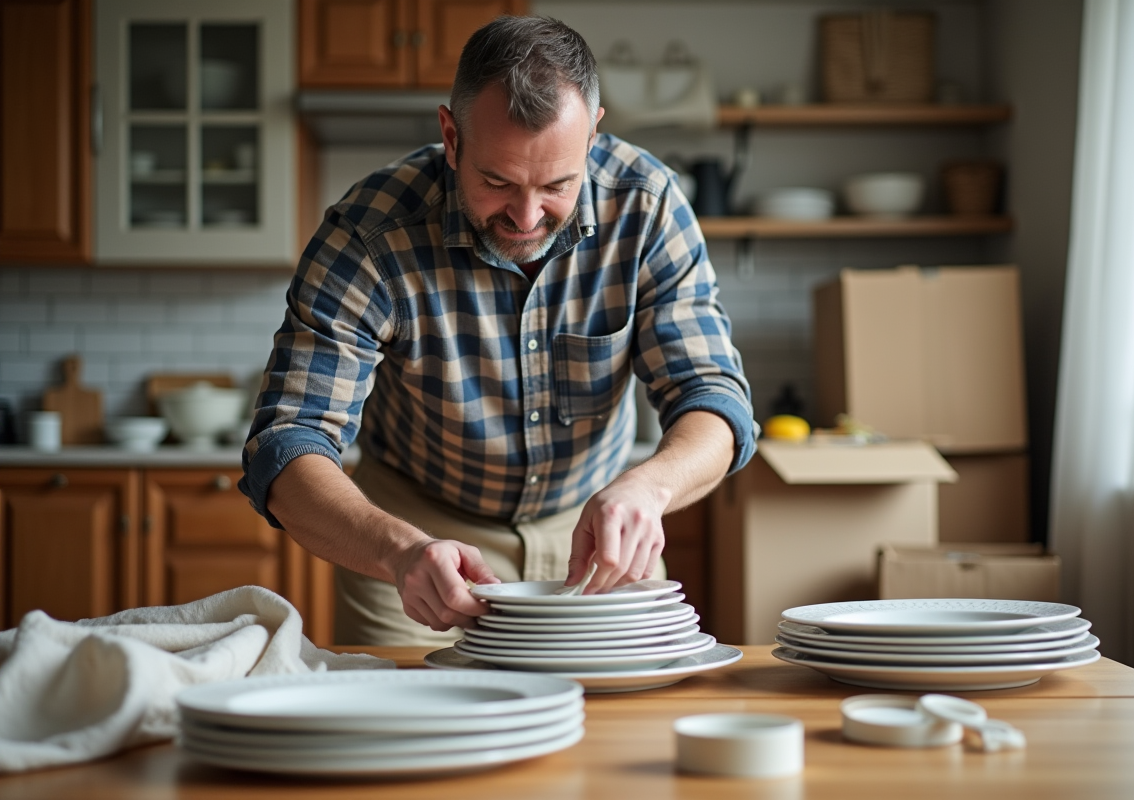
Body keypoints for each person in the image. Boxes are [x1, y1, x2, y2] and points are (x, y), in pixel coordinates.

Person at [239, 16, 756, 646]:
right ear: (451, 138)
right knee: (415, 733)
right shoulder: (371, 235)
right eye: (497, 182)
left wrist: (651, 487)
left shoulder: (647, 206)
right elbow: (286, 443)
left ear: (592, 136)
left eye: (558, 184)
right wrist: (400, 551)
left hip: (600, 537)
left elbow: (715, 399)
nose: (527, 216)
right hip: (416, 543)